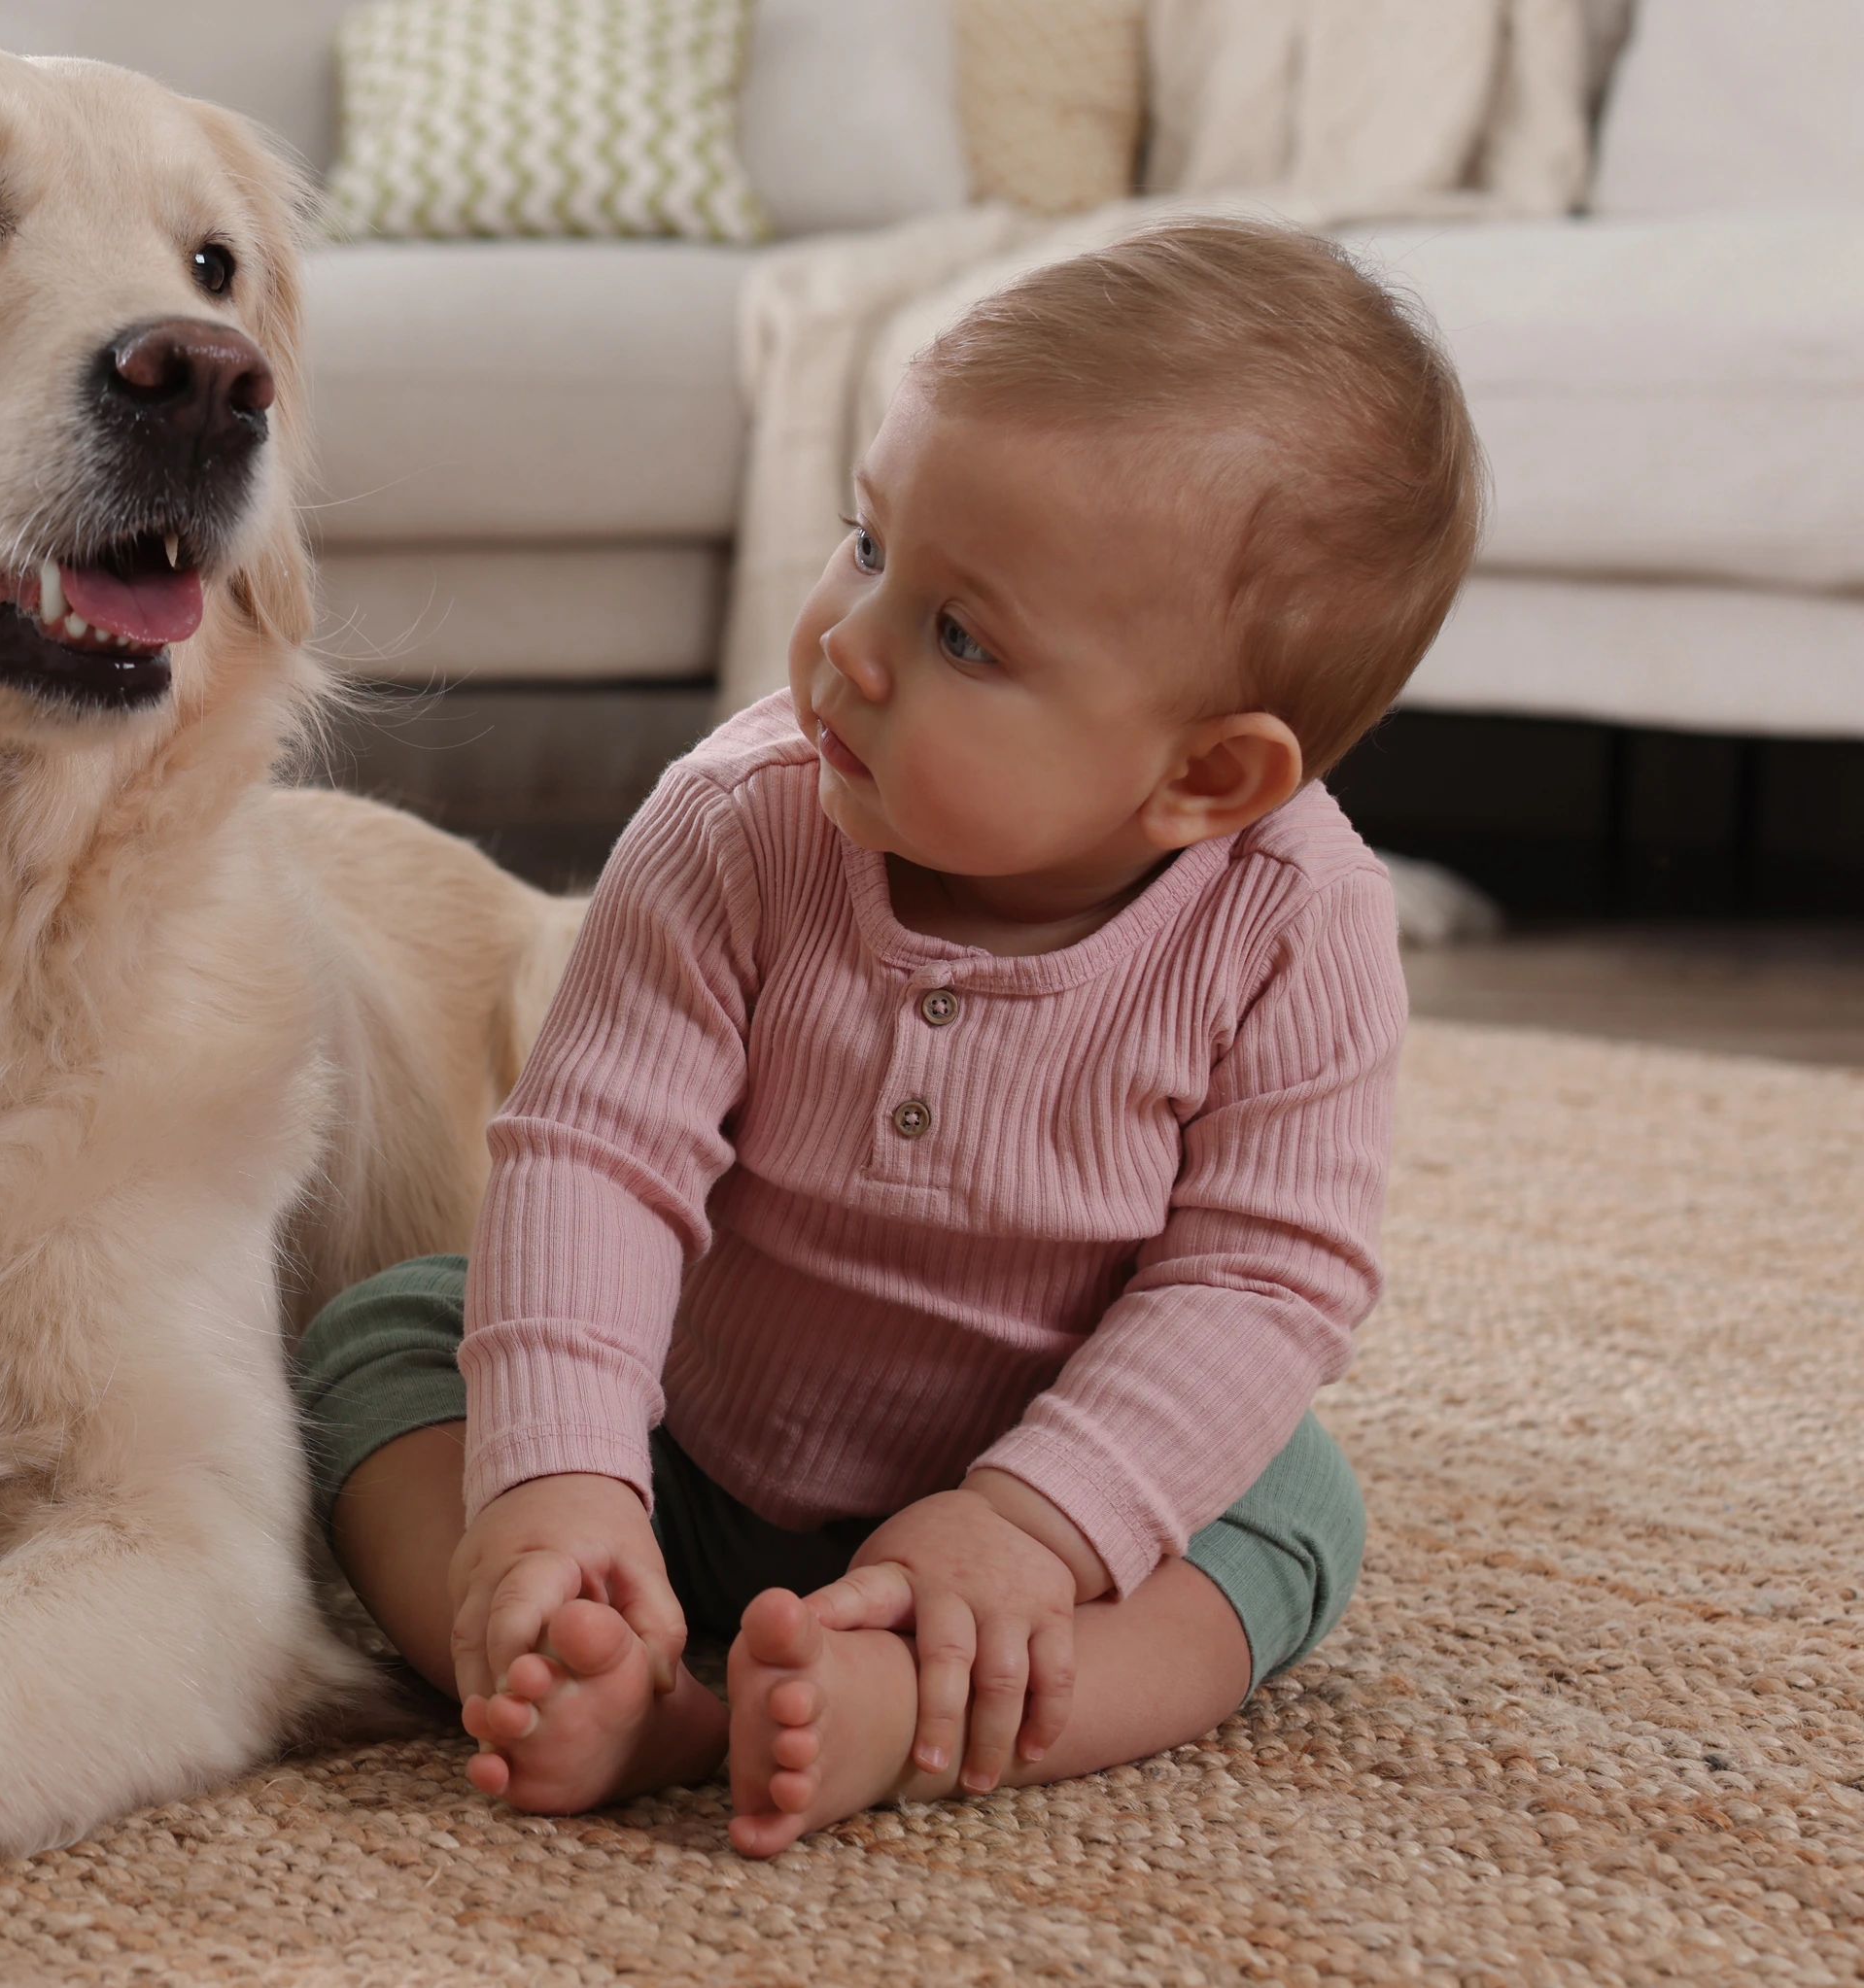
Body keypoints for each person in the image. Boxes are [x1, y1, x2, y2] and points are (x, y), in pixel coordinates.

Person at [293, 217, 1485, 1854]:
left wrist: (1029, 1522)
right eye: (869, 544)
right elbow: (595, 1151)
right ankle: (574, 1652)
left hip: (1037, 1518)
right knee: (388, 1346)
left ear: (1206, 778)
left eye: (962, 635)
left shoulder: (1296, 918)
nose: (848, 646)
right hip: (693, 1444)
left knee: (1287, 1515)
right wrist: (562, 1478)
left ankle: (902, 1711)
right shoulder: (739, 821)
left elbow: (1262, 1278)